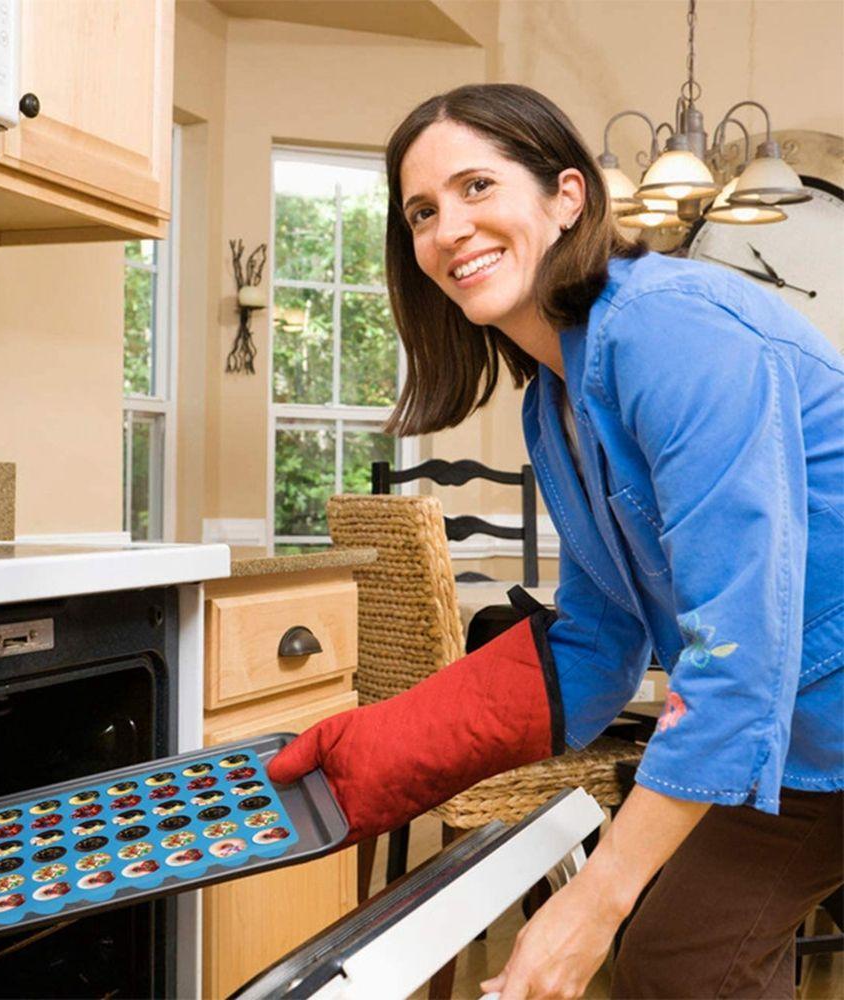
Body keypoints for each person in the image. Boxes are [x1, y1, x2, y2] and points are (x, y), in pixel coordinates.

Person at [267, 83, 844, 999]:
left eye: (476, 187)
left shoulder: (671, 328)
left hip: (791, 713)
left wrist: (594, 900)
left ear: (567, 196)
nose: (448, 228)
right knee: (681, 968)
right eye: (422, 211)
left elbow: (739, 655)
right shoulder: (553, 401)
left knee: (650, 945)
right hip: (805, 748)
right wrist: (376, 750)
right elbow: (597, 642)